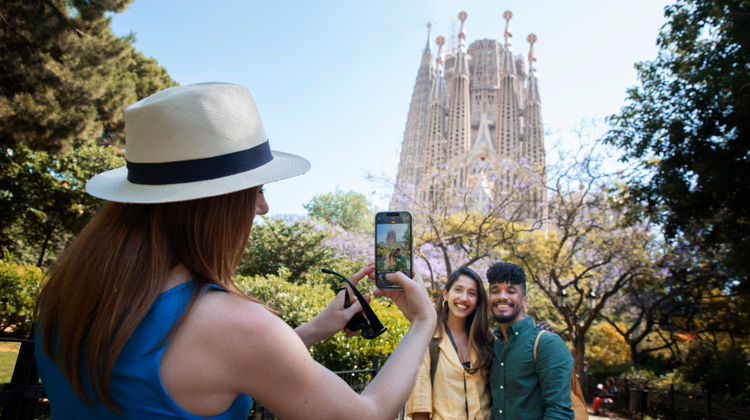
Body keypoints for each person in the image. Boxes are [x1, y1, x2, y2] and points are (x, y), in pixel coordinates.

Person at [33, 82, 437, 420]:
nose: (263, 208)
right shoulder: (235, 325)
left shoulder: (64, 296)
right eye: (257, 191)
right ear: (214, 204)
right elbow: (366, 415)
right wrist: (422, 321)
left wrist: (312, 331)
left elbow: (189, 369)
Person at [487, 262, 574, 419]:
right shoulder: (495, 346)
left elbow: (559, 413)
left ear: (524, 301)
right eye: (495, 291)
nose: (502, 297)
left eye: (511, 291)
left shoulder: (547, 344)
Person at [407, 266, 494, 420]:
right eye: (458, 290)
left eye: (472, 293)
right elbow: (420, 407)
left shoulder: (486, 340)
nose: (464, 298)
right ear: (446, 294)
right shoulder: (427, 339)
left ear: (477, 301)